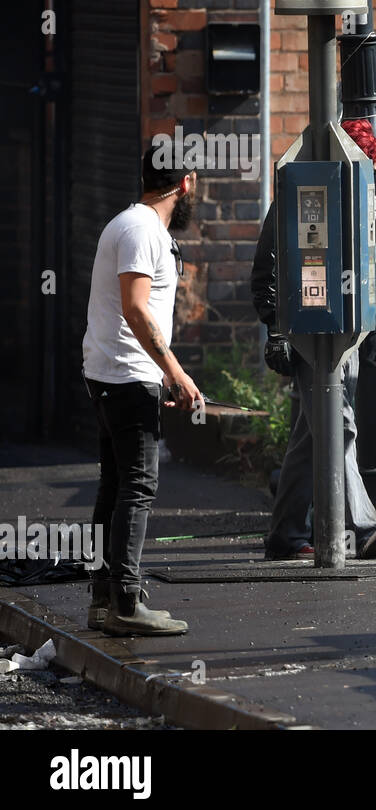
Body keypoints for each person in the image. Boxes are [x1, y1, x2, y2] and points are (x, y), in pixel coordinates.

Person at [82, 150, 201, 636]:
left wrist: (163, 374)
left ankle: (104, 595)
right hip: (125, 375)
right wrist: (173, 371)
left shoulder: (137, 226)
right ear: (186, 183)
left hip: (120, 374)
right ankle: (126, 603)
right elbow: (135, 308)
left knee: (114, 483)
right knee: (137, 485)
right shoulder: (140, 229)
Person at [251, 200, 376, 561]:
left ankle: (286, 534)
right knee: (338, 426)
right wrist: (277, 329)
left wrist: (372, 329)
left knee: (309, 439)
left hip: (347, 332)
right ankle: (362, 528)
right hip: (309, 334)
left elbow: (359, 270)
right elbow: (265, 269)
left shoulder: (355, 195)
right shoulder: (298, 194)